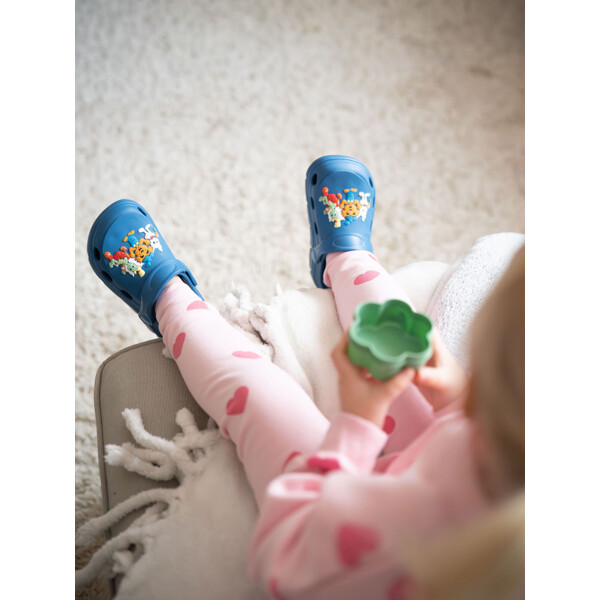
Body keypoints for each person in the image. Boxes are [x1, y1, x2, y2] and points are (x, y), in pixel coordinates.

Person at [87, 155, 524, 600]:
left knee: (263, 401)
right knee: (402, 332)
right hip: (453, 453)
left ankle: (170, 302)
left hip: (340, 513)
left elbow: (288, 554)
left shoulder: (432, 554)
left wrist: (357, 423)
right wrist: (460, 397)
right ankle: (345, 257)